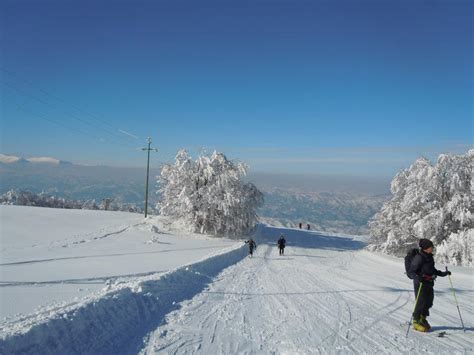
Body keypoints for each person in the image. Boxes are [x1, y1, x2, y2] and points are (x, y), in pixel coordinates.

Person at [407, 238, 451, 332]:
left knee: (429, 302)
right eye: (431, 247)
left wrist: (443, 273)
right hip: (420, 283)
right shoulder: (419, 257)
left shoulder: (429, 257)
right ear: (426, 248)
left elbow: (432, 270)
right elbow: (411, 272)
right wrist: (418, 278)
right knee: (420, 302)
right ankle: (416, 321)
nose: (433, 248)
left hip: (429, 283)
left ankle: (422, 318)